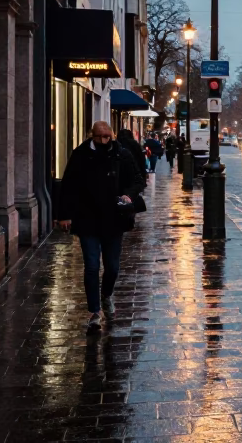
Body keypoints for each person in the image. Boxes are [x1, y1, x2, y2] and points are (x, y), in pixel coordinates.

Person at [54, 121, 145, 330]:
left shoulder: (122, 154)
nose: (104, 141)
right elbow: (69, 185)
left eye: (107, 137)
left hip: (114, 219)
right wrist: (64, 215)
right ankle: (94, 311)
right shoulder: (81, 154)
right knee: (92, 266)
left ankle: (107, 294)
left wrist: (128, 195)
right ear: (91, 135)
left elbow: (138, 180)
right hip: (87, 219)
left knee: (112, 267)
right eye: (100, 137)